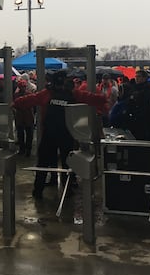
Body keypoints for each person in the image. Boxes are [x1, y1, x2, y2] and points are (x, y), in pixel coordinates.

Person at [13, 70, 106, 199]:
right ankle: (67, 189)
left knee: (44, 163)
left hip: (50, 134)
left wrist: (15, 103)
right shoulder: (72, 93)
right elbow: (90, 97)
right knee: (67, 163)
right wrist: (103, 100)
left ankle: (39, 190)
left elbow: (30, 100)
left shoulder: (48, 93)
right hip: (66, 133)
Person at [13, 79, 34, 156]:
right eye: (22, 87)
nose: (23, 88)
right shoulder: (27, 94)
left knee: (27, 134)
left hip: (25, 116)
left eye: (24, 86)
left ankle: (27, 150)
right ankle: (23, 149)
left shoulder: (27, 94)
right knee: (22, 134)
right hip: (22, 116)